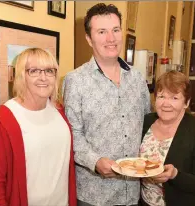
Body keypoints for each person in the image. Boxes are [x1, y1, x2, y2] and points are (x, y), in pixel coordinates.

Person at [63, 3, 150, 206]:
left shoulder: (137, 79)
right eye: (102, 32)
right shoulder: (75, 81)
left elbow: (148, 125)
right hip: (95, 195)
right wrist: (95, 161)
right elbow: (73, 134)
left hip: (133, 191)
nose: (111, 38)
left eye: (115, 30)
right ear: (89, 39)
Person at [0, 48, 77, 206]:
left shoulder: (59, 112)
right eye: (34, 71)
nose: (43, 77)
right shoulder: (2, 121)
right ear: (22, 76)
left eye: (49, 71)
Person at [138, 70, 195, 206]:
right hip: (144, 202)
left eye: (174, 98)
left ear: (186, 102)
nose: (166, 104)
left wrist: (175, 175)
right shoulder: (146, 122)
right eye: (161, 96)